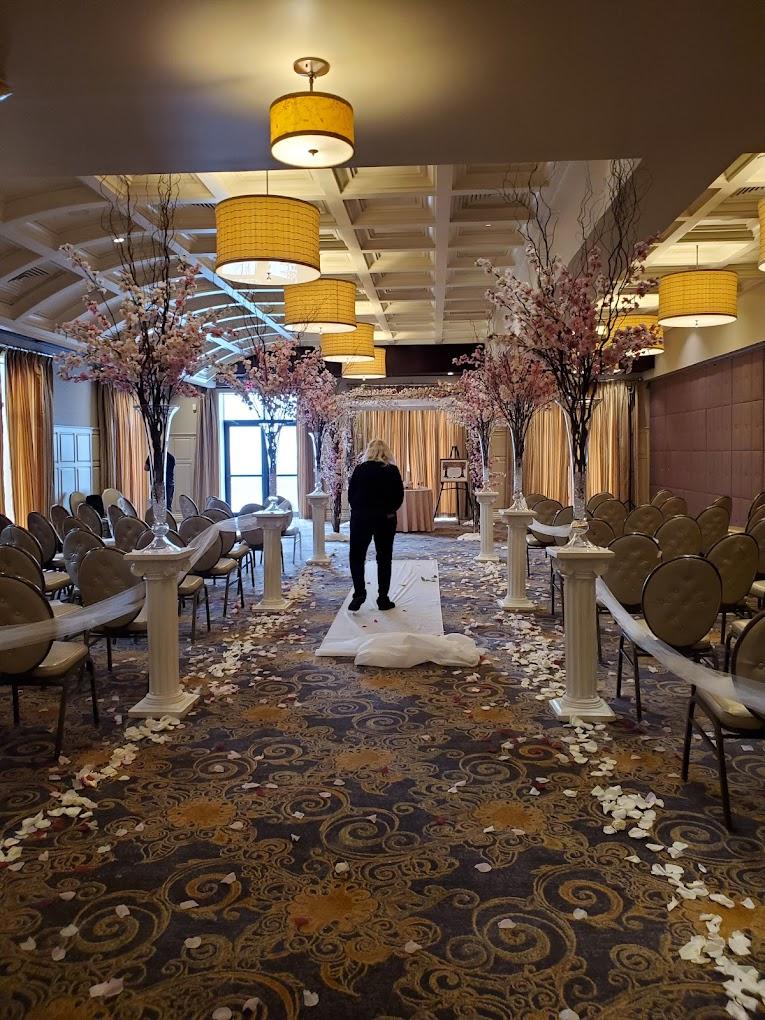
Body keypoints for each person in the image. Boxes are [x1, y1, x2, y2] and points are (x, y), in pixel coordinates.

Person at [348, 439, 404, 612]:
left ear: (369, 452)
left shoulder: (360, 469)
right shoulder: (392, 470)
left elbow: (351, 495)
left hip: (361, 518)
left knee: (357, 556)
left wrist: (359, 510)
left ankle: (359, 593)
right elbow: (399, 497)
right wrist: (389, 511)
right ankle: (383, 598)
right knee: (384, 558)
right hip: (385, 519)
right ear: (387, 452)